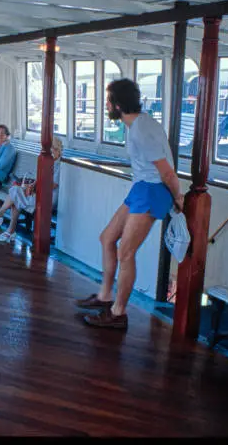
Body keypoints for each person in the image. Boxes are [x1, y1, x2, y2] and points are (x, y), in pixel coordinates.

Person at [76, 78, 184, 330]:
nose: (106, 105)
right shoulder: (135, 125)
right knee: (107, 238)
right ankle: (104, 297)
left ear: (117, 103)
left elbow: (167, 173)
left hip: (153, 191)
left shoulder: (143, 130)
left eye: (108, 101)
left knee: (126, 252)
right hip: (141, 188)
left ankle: (118, 313)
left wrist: (178, 198)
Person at [0, 137, 63, 243]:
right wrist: (31, 186)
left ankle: (1, 217)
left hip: (47, 197)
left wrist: (34, 188)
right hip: (38, 193)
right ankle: (9, 230)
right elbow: (39, 179)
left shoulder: (59, 165)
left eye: (51, 149)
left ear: (56, 150)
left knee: (15, 193)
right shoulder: (47, 162)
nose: (47, 152)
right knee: (15, 194)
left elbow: (52, 185)